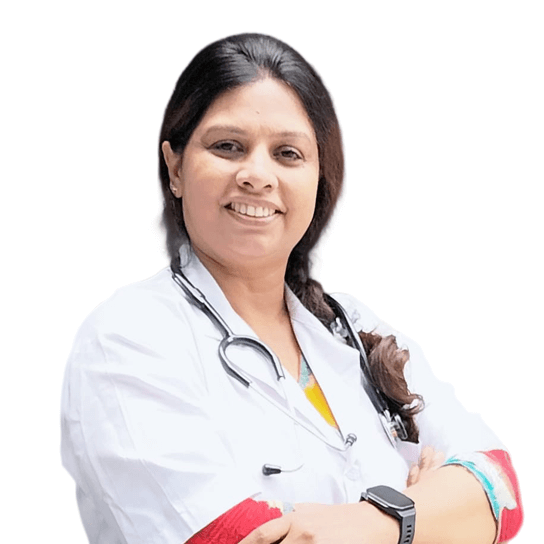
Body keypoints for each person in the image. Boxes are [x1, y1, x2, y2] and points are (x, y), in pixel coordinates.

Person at [61, 33, 523, 544]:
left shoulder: (351, 326)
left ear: (320, 177)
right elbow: (227, 537)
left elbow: (502, 491)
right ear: (175, 168)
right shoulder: (128, 340)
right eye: (228, 146)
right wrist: (427, 509)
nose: (257, 175)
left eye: (287, 153)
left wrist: (368, 523)